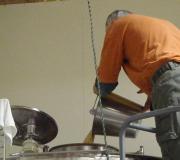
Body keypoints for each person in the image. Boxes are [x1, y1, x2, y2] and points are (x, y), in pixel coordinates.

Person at [94, 10, 180, 160]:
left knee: (174, 141)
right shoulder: (165, 26)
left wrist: (97, 89)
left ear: (111, 24)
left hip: (170, 82)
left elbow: (106, 82)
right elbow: (165, 60)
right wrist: (154, 96)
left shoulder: (118, 25)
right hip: (170, 81)